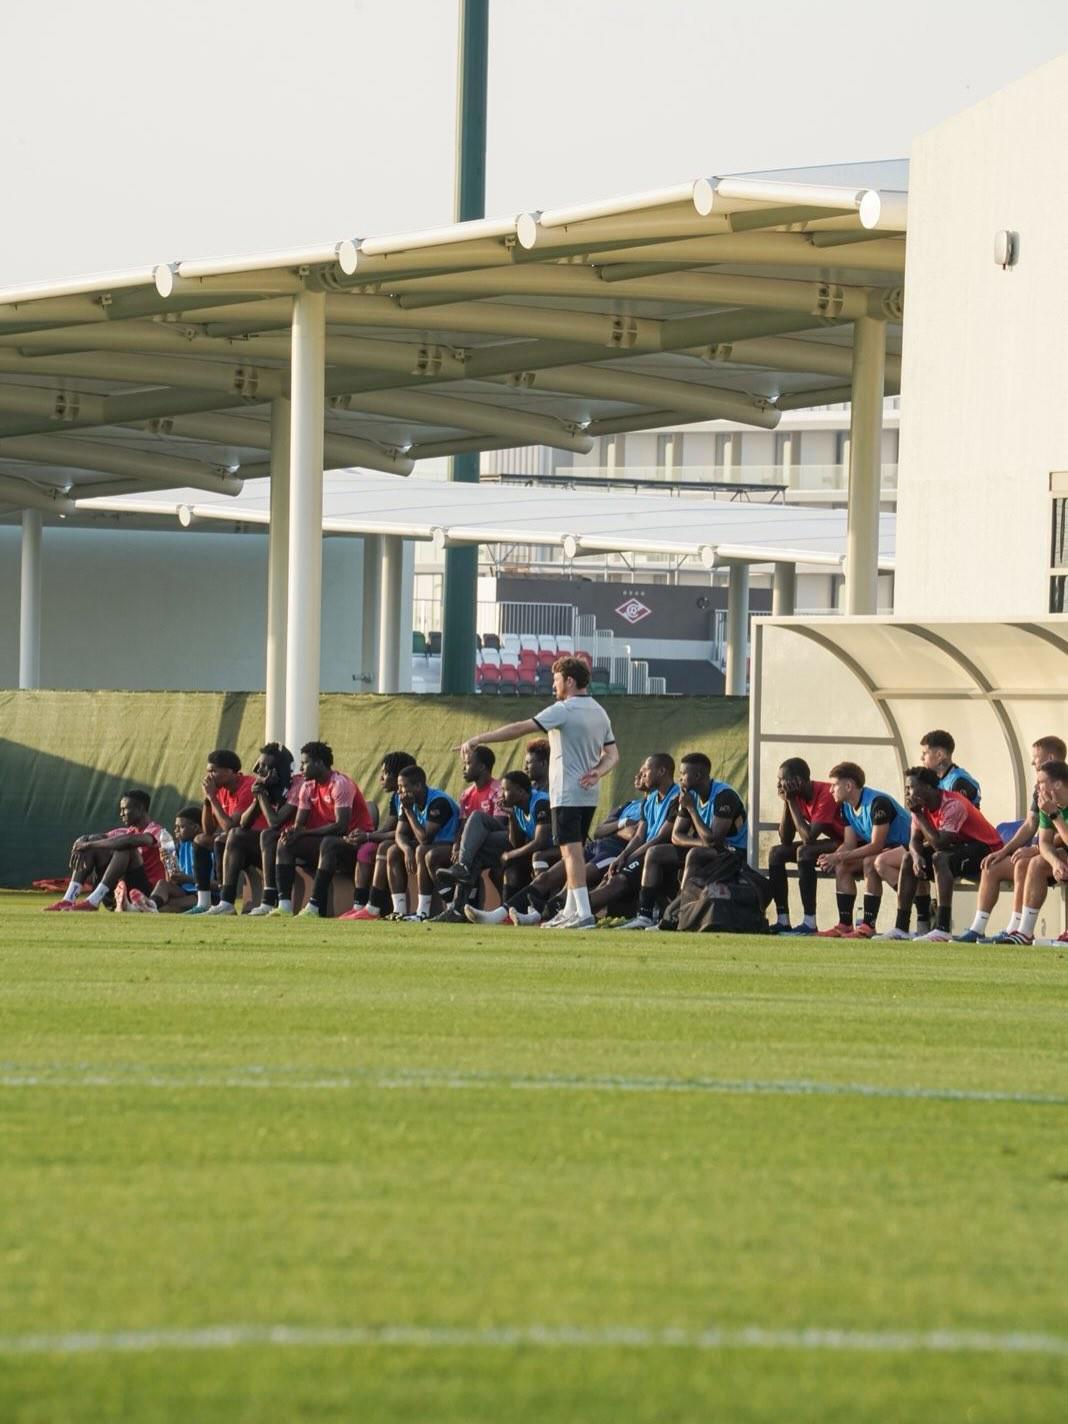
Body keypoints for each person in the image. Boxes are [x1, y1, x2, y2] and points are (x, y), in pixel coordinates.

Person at [454, 656, 618, 930]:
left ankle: (584, 913)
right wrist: (598, 772)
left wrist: (479, 739)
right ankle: (570, 910)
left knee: (571, 852)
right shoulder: (600, 712)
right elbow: (612, 754)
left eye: (556, 679)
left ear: (569, 681)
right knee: (571, 852)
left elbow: (521, 728)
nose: (553, 685)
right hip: (588, 794)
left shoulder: (564, 709)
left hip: (567, 792)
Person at [955, 735, 1067, 943]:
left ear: (1051, 758)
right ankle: (986, 929)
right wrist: (1003, 851)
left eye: (1036, 758)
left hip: (1057, 853)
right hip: (1051, 852)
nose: (1032, 763)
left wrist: (1038, 849)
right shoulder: (1042, 793)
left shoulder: (1058, 789)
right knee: (993, 864)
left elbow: (1058, 835)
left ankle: (1020, 930)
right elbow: (1032, 826)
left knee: (1029, 862)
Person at [620, 752, 745, 931]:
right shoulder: (689, 795)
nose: (679, 778)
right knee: (655, 853)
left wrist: (692, 809)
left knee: (695, 854)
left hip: (732, 852)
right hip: (709, 847)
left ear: (698, 775)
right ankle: (644, 916)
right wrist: (702, 841)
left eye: (683, 774)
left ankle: (678, 915)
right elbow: (676, 836)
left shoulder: (724, 796)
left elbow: (715, 839)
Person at [881, 767, 1003, 941]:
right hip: (958, 847)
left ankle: (943, 928)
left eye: (911, 787)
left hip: (986, 849)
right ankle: (901, 928)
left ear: (928, 787)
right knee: (907, 858)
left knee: (940, 858)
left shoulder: (953, 804)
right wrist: (916, 857)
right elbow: (914, 840)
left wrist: (918, 815)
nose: (908, 792)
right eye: (906, 788)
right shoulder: (920, 808)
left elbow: (940, 844)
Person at [271, 742, 373, 918]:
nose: (301, 768)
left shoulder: (340, 784)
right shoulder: (307, 787)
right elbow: (299, 825)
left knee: (329, 843)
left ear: (319, 763)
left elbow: (341, 827)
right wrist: (292, 832)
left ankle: (314, 907)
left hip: (355, 841)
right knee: (285, 843)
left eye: (305, 763)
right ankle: (284, 906)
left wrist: (304, 833)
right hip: (329, 841)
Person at [815, 762, 911, 938]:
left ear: (848, 786)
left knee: (869, 862)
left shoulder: (878, 803)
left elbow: (876, 845)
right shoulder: (845, 807)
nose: (830, 790)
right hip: (887, 850)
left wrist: (839, 856)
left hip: (908, 848)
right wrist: (833, 858)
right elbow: (849, 844)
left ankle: (868, 926)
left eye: (834, 785)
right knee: (842, 865)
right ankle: (844, 925)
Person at [211, 743, 300, 916]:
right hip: (275, 843)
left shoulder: (296, 785)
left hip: (295, 840)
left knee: (268, 835)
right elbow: (243, 824)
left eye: (266, 766)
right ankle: (226, 901)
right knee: (236, 835)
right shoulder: (268, 786)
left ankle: (268, 901)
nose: (259, 770)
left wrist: (261, 794)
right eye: (260, 765)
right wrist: (257, 798)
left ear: (279, 769)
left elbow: (275, 822)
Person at [45, 790, 166, 911]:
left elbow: (130, 841)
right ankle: (69, 899)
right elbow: (94, 838)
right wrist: (81, 842)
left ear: (140, 808)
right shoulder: (125, 832)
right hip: (117, 892)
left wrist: (88, 844)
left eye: (124, 809)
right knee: (93, 844)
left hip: (142, 895)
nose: (121, 814)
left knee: (124, 847)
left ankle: (93, 901)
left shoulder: (157, 831)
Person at [419, 745, 501, 922]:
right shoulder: (466, 795)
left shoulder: (498, 789)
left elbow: (500, 826)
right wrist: (457, 846)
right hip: (472, 849)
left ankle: (458, 907)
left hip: (496, 843)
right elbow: (462, 826)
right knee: (433, 856)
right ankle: (455, 908)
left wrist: (467, 849)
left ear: (482, 767)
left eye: (468, 763)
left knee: (476, 820)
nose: (464, 768)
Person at [461, 771, 553, 924]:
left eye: (506, 790)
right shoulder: (518, 807)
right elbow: (515, 843)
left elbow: (540, 841)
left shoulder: (540, 803)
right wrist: (511, 816)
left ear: (521, 792)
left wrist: (511, 854)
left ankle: (539, 911)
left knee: (535, 857)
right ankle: (507, 915)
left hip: (559, 850)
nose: (501, 794)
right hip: (541, 850)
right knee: (511, 868)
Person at [766, 757, 844, 935]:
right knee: (775, 853)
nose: (778, 785)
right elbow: (785, 839)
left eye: (782, 780)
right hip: (835, 841)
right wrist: (788, 802)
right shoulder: (796, 797)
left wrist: (791, 801)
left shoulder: (826, 794)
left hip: (849, 843)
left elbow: (809, 838)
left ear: (798, 781)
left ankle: (809, 922)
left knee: (804, 851)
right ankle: (783, 920)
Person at [995, 759, 1068, 945]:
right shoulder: (1047, 805)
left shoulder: (1051, 809)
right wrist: (1055, 863)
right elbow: (1044, 843)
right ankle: (1024, 932)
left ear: (1057, 784)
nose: (1037, 787)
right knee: (1035, 862)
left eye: (1041, 782)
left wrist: (1055, 816)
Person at [338, 750, 415, 921]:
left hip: (415, 841)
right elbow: (388, 827)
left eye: (385, 773)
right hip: (402, 839)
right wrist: (363, 835)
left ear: (398, 775)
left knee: (380, 847)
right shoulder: (396, 797)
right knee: (366, 848)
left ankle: (373, 908)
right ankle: (359, 906)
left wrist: (368, 837)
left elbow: (403, 832)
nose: (381, 778)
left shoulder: (412, 796)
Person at [384, 765, 460, 920]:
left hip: (451, 845)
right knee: (393, 851)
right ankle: (399, 910)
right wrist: (406, 850)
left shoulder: (438, 801)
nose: (399, 791)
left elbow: (425, 839)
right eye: (399, 786)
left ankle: (422, 912)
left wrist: (409, 811)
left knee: (422, 850)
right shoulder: (406, 800)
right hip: (430, 845)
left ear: (418, 786)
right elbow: (400, 833)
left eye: (403, 786)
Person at [186, 749, 257, 915]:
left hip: (253, 842)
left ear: (230, 771)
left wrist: (212, 797)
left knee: (223, 839)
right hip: (234, 841)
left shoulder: (248, 786)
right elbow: (208, 830)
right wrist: (207, 800)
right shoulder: (220, 790)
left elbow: (231, 827)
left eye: (213, 771)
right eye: (207, 772)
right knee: (200, 840)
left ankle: (225, 900)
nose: (209, 776)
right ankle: (204, 902)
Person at [130, 805, 202, 913]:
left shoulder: (208, 848)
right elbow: (171, 881)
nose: (175, 830)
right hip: (184, 891)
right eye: (175, 827)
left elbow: (219, 885)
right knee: (162, 884)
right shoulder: (181, 846)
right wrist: (166, 863)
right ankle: (150, 904)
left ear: (195, 827)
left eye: (181, 827)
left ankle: (142, 908)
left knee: (167, 906)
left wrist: (189, 879)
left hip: (204, 894)